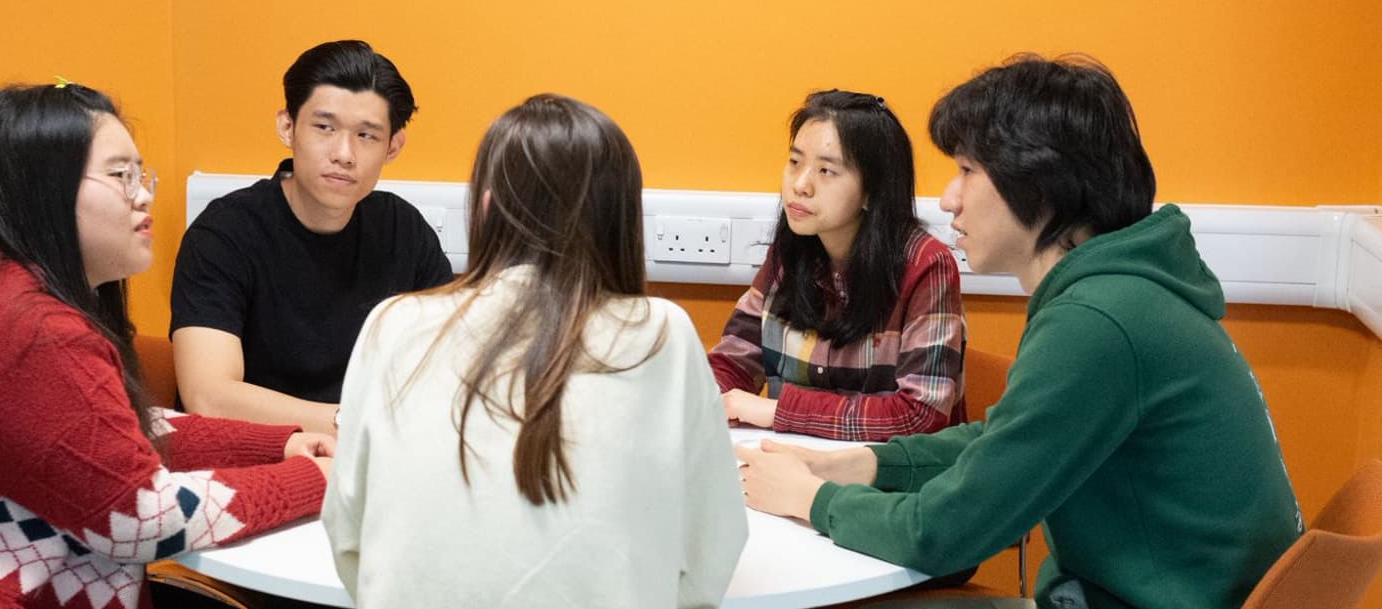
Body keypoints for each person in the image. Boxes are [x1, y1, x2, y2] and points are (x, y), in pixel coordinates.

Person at [736, 55, 1302, 609]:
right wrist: (865, 464)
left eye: (965, 171)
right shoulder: (1122, 295)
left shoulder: (1098, 324)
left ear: (1039, 184)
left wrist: (813, 499)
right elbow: (1004, 440)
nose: (947, 199)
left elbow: (944, 533)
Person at [0, 83, 333, 609]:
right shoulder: (30, 331)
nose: (144, 194)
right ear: (44, 192)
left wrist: (278, 445)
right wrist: (311, 480)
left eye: (140, 173)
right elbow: (142, 520)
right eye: (119, 175)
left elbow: (118, 433)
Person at [323, 94, 747, 609]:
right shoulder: (662, 333)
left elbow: (348, 534)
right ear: (620, 218)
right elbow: (712, 546)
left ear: (484, 206)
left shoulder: (392, 324)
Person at [171, 40, 452, 435]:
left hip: (366, 463)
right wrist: (352, 423)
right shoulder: (223, 233)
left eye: (367, 135)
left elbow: (449, 367)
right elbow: (209, 396)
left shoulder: (403, 230)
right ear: (287, 126)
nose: (344, 153)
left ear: (393, 147)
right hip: (254, 459)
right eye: (325, 127)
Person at [710, 90, 966, 441]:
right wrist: (709, 397)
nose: (800, 185)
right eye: (795, 162)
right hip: (789, 469)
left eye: (827, 170)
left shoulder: (925, 265)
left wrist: (780, 411)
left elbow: (920, 415)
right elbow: (732, 363)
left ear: (872, 191)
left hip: (888, 485)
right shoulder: (790, 253)